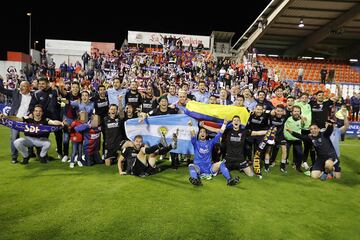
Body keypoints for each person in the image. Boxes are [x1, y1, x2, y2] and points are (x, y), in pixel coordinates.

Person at [187, 119, 239, 186]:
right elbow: (193, 135)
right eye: (201, 132)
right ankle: (195, 180)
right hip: (198, 167)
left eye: (204, 132)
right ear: (198, 134)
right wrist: (190, 126)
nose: (202, 133)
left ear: (206, 134)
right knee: (191, 166)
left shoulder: (210, 142)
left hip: (209, 168)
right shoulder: (196, 143)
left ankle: (229, 180)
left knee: (221, 163)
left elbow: (220, 134)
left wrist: (224, 124)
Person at [0, 79, 32, 163]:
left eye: (24, 86)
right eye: (20, 86)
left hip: (27, 121)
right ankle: (14, 157)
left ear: (29, 87)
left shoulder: (33, 95)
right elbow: (2, 90)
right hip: (15, 120)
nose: (21, 88)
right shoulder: (15, 93)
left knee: (30, 137)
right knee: (14, 138)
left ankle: (30, 153)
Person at [284, 105, 306, 172]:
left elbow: (303, 125)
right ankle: (283, 164)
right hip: (288, 139)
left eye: (298, 111)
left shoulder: (301, 120)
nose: (296, 113)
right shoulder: (288, 119)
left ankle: (297, 166)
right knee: (286, 152)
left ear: (300, 112)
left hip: (297, 139)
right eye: (295, 111)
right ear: (292, 112)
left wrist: (302, 118)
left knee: (299, 153)